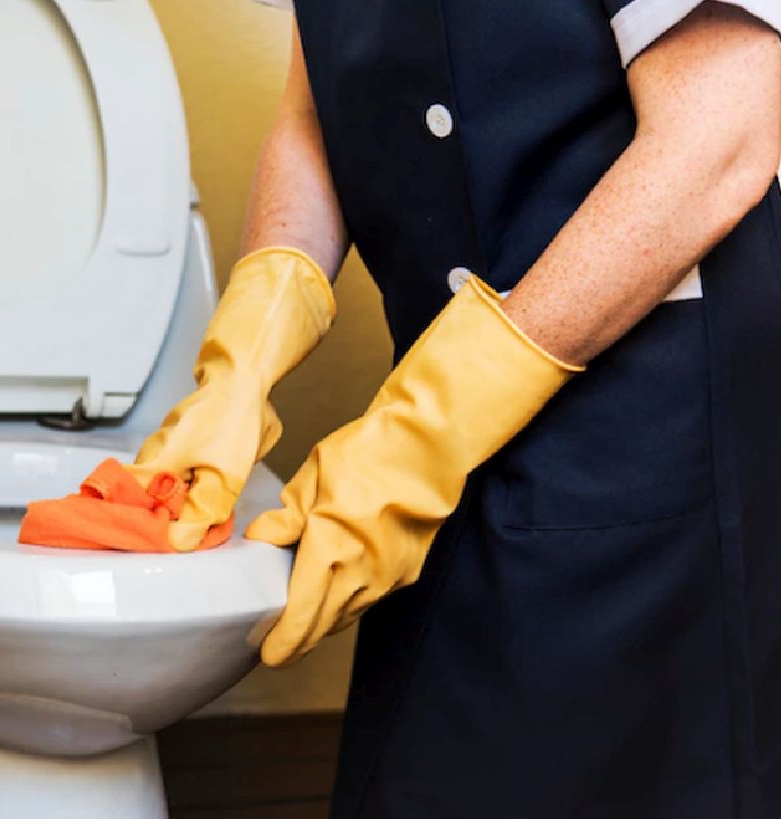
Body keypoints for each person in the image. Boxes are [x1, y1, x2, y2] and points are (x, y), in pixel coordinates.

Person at [132, 2, 781, 816]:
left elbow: (720, 137)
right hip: (445, 430)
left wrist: (425, 428)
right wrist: (248, 351)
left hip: (644, 425)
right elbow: (312, 118)